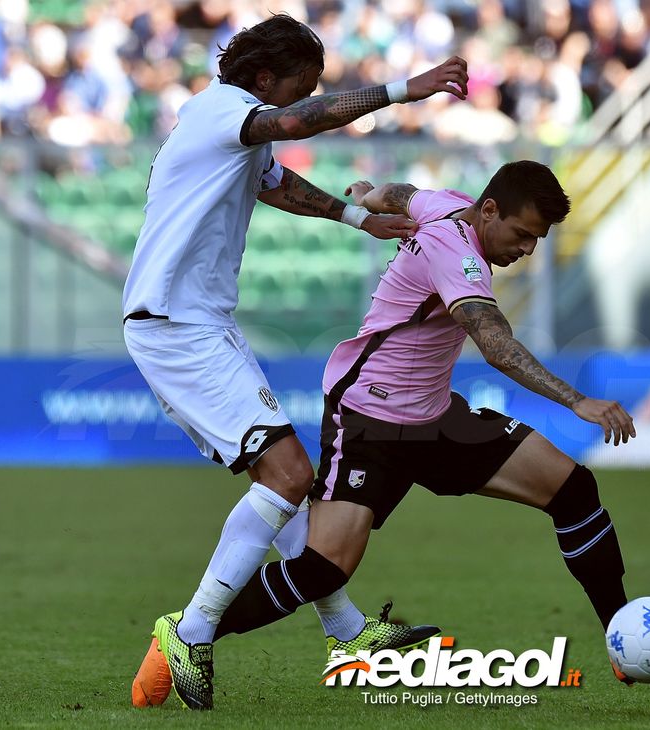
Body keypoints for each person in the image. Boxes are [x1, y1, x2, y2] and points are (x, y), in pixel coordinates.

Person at [191, 160, 650, 689]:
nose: (528, 249)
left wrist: (370, 196)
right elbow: (495, 346)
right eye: (523, 234)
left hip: (436, 417)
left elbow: (406, 194)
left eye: (538, 239)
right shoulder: (456, 253)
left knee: (574, 488)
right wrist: (576, 401)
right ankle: (193, 634)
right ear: (489, 211)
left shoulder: (449, 204)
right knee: (325, 570)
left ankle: (623, 641)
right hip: (371, 420)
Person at [121, 14, 469, 710]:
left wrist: (356, 217)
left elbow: (277, 184)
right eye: (298, 87)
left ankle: (346, 632)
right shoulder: (225, 111)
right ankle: (191, 629)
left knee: (281, 481)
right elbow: (297, 125)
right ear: (263, 79)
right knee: (289, 473)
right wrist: (405, 89)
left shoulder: (225, 126)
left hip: (195, 321)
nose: (303, 99)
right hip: (177, 323)